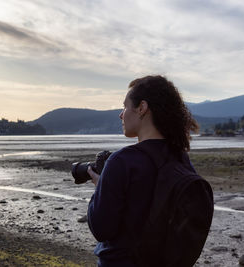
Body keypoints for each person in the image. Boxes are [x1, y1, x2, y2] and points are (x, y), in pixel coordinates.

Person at [87, 75, 213, 266]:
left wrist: (100, 188)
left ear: (142, 108)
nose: (121, 114)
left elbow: (101, 229)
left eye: (125, 107)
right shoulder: (181, 158)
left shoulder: (121, 161)